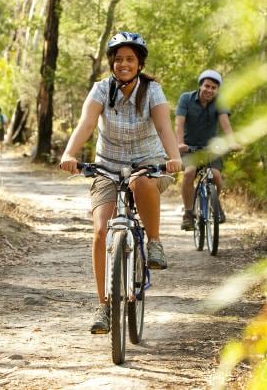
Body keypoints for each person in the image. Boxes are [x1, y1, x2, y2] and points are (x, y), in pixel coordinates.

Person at [59, 31, 183, 334]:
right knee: (101, 230)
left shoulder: (152, 90)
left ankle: (154, 243)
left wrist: (173, 157)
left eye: (129, 59)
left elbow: (164, 126)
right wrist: (69, 153)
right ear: (112, 63)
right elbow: (87, 123)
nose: (123, 64)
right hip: (107, 166)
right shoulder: (101, 89)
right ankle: (104, 305)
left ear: (139, 63)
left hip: (148, 163)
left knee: (141, 184)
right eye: (118, 59)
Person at [175, 69, 234, 230]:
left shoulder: (220, 102)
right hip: (190, 148)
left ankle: (215, 204)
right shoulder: (186, 99)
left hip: (210, 149)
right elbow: (179, 123)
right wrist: (179, 143)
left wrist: (232, 142)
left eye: (214, 88)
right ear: (200, 86)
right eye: (207, 86)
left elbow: (225, 123)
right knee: (189, 173)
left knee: (216, 175)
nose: (210, 90)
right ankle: (188, 213)